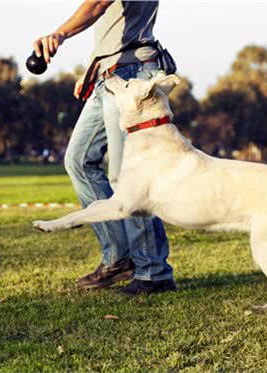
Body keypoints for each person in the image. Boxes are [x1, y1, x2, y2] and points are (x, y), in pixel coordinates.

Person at [33, 0, 175, 295]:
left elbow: (98, 4)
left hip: (132, 75)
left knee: (128, 178)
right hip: (110, 73)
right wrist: (95, 67)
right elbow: (115, 24)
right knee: (79, 161)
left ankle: (153, 272)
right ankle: (119, 258)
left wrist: (59, 34)